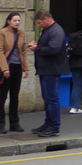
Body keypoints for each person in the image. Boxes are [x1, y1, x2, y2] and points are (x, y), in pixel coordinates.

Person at [28, 9, 68, 138]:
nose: (38, 25)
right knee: (47, 98)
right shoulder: (48, 30)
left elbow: (54, 49)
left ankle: (54, 126)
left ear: (46, 19)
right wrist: (37, 45)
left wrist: (37, 48)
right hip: (45, 69)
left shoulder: (56, 30)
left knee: (52, 98)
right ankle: (48, 123)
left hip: (51, 69)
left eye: (39, 23)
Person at [0, 12, 28, 134]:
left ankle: (14, 123)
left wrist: (26, 68)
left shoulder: (21, 33)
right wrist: (4, 69)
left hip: (17, 67)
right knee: (2, 96)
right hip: (6, 67)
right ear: (9, 21)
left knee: (15, 96)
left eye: (19, 20)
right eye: (15, 20)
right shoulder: (2, 33)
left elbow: (23, 52)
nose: (17, 22)